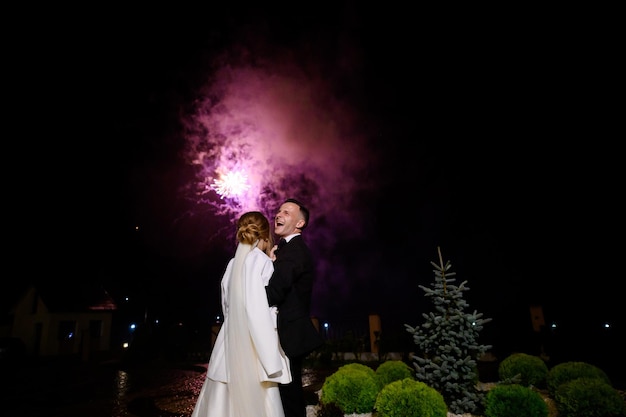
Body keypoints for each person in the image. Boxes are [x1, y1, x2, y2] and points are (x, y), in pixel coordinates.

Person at [191, 211, 291, 417]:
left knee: (221, 398)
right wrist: (271, 356)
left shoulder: (231, 264)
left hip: (228, 341)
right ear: (264, 236)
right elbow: (258, 309)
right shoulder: (262, 262)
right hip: (254, 344)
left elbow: (227, 305)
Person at [266, 198, 324, 417]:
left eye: (287, 212)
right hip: (288, 332)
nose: (279, 215)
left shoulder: (295, 251)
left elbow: (275, 292)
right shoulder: (286, 250)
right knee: (287, 392)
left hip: (289, 334)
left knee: (289, 395)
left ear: (299, 223)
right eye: (279, 211)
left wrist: (246, 296)